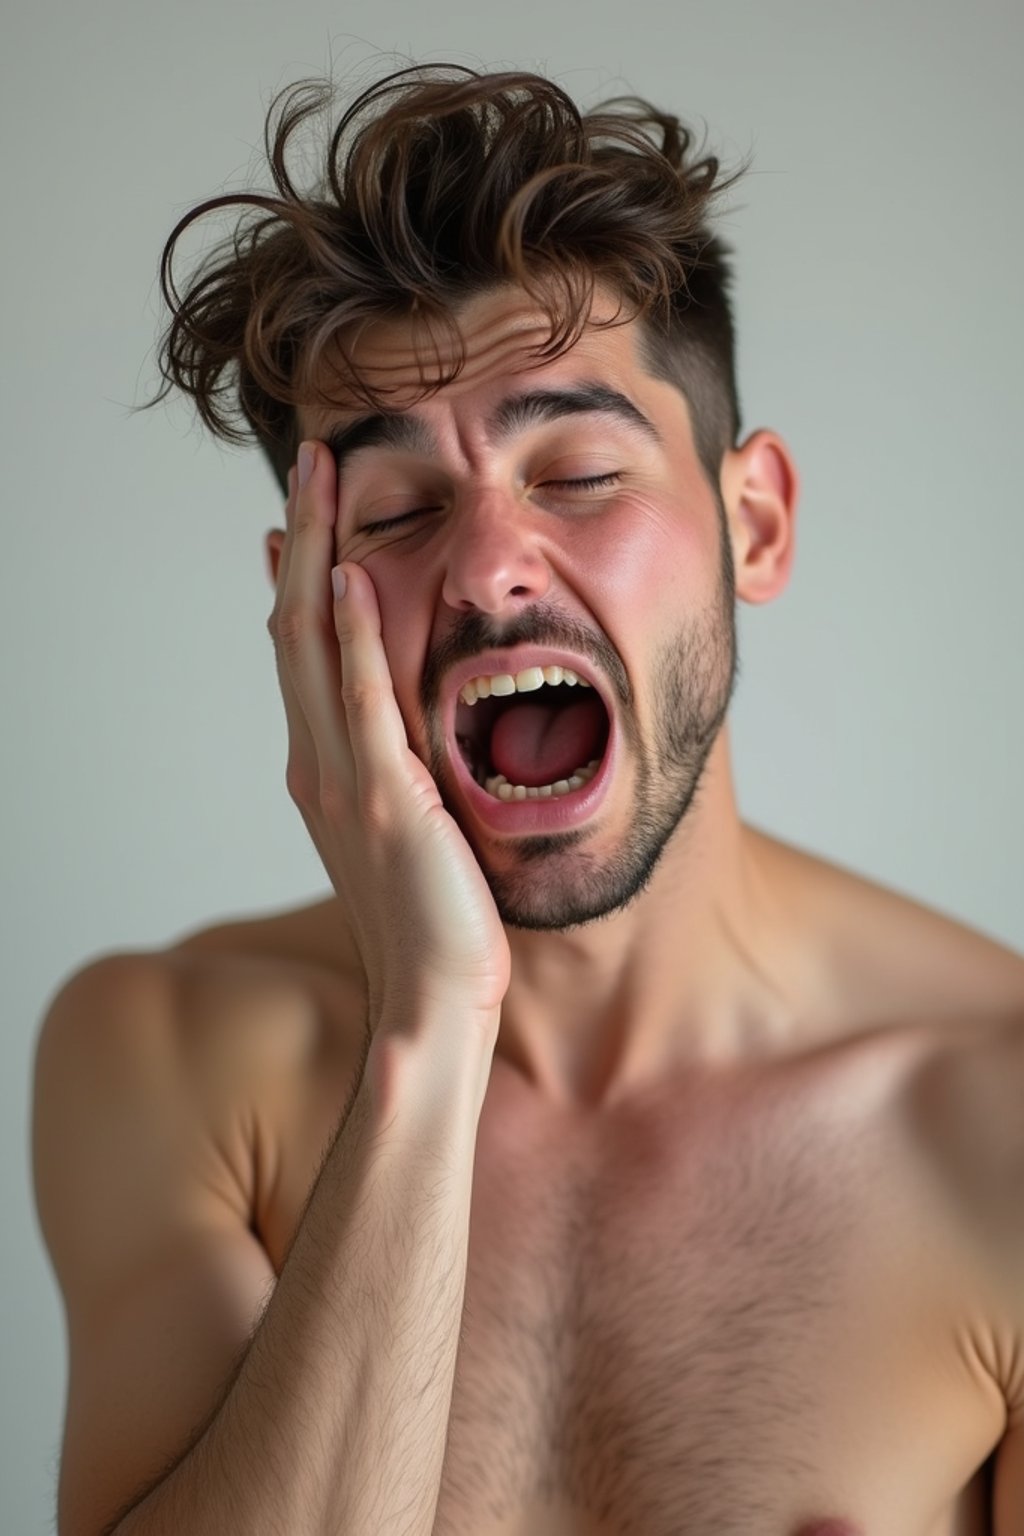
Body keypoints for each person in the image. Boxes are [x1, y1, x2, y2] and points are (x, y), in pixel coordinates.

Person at [31, 63, 1024, 1536]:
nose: (490, 568)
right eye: (400, 513)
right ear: (312, 607)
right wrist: (429, 1032)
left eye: (576, 473)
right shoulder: (166, 1057)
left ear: (752, 523)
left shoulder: (995, 1117)